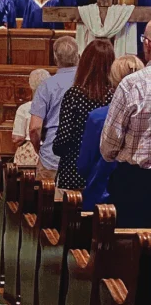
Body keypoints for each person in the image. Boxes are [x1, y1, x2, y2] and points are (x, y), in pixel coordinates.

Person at [100, 22, 151, 228]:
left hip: (136, 184)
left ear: (147, 45)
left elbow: (108, 145)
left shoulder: (133, 84)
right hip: (135, 182)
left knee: (131, 251)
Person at [78, 55, 144, 211]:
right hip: (140, 193)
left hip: (102, 195)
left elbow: (83, 164)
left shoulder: (98, 118)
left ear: (113, 82)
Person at [52, 39, 114, 199]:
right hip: (103, 175)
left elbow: (63, 138)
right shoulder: (114, 96)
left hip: (72, 173)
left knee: (67, 221)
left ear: (84, 62)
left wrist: (56, 149)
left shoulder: (74, 95)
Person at [29, 36, 79, 181]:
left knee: (46, 203)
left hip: (51, 157)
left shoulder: (46, 86)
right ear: (78, 56)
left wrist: (39, 149)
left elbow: (34, 128)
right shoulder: (87, 83)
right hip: (81, 159)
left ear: (55, 58)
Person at [12, 69, 50, 165]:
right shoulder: (55, 106)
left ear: (30, 85)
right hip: (50, 151)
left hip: (30, 153)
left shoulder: (24, 108)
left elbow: (17, 138)